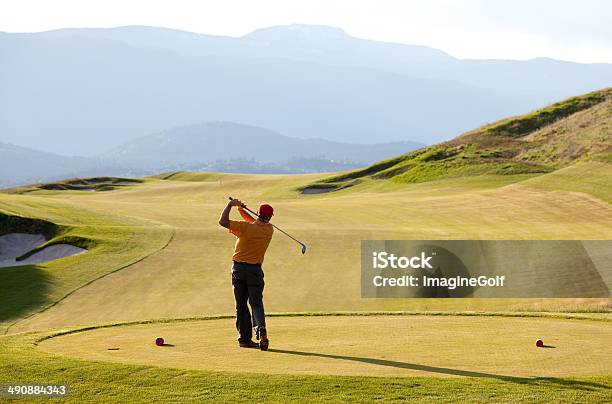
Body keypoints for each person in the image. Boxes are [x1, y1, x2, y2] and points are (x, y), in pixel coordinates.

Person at [218, 198, 274, 351]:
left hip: (239, 270)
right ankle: (261, 330)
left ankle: (244, 339)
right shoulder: (269, 230)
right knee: (256, 303)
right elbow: (255, 223)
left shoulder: (245, 228)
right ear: (270, 217)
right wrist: (241, 211)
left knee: (241, 305)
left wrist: (230, 205)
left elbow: (222, 222)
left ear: (257, 213)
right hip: (255, 271)